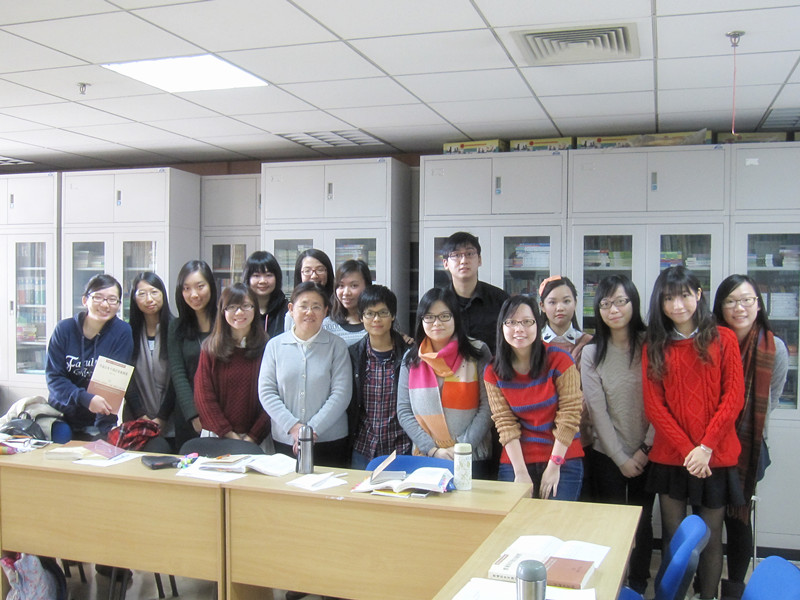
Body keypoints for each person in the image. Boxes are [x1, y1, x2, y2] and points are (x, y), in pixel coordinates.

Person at [642, 266, 745, 600]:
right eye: (668, 298)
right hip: (673, 458)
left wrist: (705, 448)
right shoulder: (654, 344)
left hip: (714, 459)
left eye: (684, 295)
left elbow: (733, 398)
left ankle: (707, 596)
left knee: (711, 540)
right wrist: (690, 450)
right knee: (675, 539)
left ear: (698, 295)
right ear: (660, 303)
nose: (677, 305)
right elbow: (654, 406)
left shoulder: (724, 338)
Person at [712, 274, 788, 600]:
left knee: (739, 521)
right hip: (710, 445)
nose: (739, 308)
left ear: (758, 304)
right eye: (731, 301)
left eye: (747, 300)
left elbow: (771, 399)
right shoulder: (710, 342)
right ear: (720, 306)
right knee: (707, 517)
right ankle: (705, 586)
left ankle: (734, 589)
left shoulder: (775, 348)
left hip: (749, 447)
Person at [581, 274, 653, 593]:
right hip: (607, 454)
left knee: (643, 521)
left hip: (648, 451)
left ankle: (638, 585)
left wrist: (644, 450)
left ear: (633, 303)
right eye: (606, 303)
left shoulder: (652, 345)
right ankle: (612, 585)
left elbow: (665, 400)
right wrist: (620, 457)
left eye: (621, 301)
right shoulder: (592, 352)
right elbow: (597, 411)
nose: (614, 310)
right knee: (610, 522)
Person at [484, 295, 584, 500]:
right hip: (517, 460)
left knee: (554, 518)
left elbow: (570, 414)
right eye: (511, 322)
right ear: (501, 327)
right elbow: (505, 423)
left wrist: (554, 465)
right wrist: (520, 472)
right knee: (515, 517)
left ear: (537, 325)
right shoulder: (493, 371)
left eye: (527, 322)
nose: (519, 329)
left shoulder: (560, 360)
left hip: (562, 457)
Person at [397, 288, 493, 478]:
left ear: (455, 317)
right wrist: (433, 450)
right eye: (429, 317)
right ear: (421, 320)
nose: (437, 323)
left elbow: (488, 406)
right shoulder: (411, 359)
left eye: (444, 316)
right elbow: (404, 410)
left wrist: (461, 448)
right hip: (427, 457)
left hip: (472, 457)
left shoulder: (477, 352)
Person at [259, 281, 352, 468]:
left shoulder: (337, 346)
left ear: (325, 311)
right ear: (291, 309)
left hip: (330, 440)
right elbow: (266, 392)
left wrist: (310, 431)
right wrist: (294, 428)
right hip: (285, 439)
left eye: (316, 307)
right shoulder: (275, 346)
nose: (310, 312)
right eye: (303, 306)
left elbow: (341, 394)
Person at [46, 274, 133, 438]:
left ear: (119, 305)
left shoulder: (122, 332)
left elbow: (112, 383)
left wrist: (103, 430)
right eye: (98, 297)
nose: (105, 304)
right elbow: (54, 378)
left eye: (112, 300)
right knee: (59, 445)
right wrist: (85, 398)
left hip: (97, 419)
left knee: (99, 448)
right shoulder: (64, 329)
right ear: (85, 300)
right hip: (60, 414)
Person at [539, 275, 594, 498]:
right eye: (552, 302)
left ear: (576, 303)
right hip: (540, 438)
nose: (559, 307)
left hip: (580, 438)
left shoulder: (588, 343)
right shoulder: (532, 344)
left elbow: (589, 395)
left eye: (566, 301)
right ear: (542, 306)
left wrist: (566, 423)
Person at [194, 283, 269, 445]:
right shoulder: (210, 349)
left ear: (255, 309)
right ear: (223, 311)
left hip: (258, 439)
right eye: (232, 307)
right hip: (217, 436)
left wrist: (252, 437)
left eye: (246, 306)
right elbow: (204, 397)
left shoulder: (268, 348)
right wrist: (229, 435)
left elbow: (273, 397)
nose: (239, 312)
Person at [348, 285, 412, 469]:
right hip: (363, 448)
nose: (376, 319)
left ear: (393, 315)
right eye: (369, 313)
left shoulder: (409, 354)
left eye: (383, 313)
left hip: (402, 448)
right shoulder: (353, 355)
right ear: (361, 317)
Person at [168, 260, 217, 451]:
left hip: (221, 413)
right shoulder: (176, 327)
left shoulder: (225, 323)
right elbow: (178, 373)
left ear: (211, 286)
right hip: (188, 416)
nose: (194, 294)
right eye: (186, 288)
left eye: (200, 286)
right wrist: (193, 415)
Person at [124, 272, 176, 451]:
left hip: (172, 420)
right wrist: (141, 415)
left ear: (163, 294)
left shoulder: (176, 329)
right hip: (136, 420)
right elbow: (126, 378)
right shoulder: (127, 332)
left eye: (154, 292)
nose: (149, 299)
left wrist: (162, 417)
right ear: (134, 298)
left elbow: (178, 377)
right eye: (142, 294)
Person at [440, 231, 508, 355]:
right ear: (445, 263)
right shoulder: (438, 302)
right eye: (456, 255)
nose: (463, 260)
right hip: (448, 367)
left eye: (469, 254)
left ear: (479, 260)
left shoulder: (501, 300)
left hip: (492, 366)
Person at [323, 259, 372, 346]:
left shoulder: (379, 321)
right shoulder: (327, 326)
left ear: (367, 286)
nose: (346, 293)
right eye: (341, 286)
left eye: (354, 286)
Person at [284, 248, 335, 331]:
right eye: (307, 270)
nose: (314, 276)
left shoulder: (339, 308)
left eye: (320, 270)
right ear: (299, 274)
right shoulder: (292, 314)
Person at [242, 250, 288, 340]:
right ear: (248, 278)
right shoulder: (241, 309)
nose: (263, 281)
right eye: (256, 275)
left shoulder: (287, 310)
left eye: (268, 275)